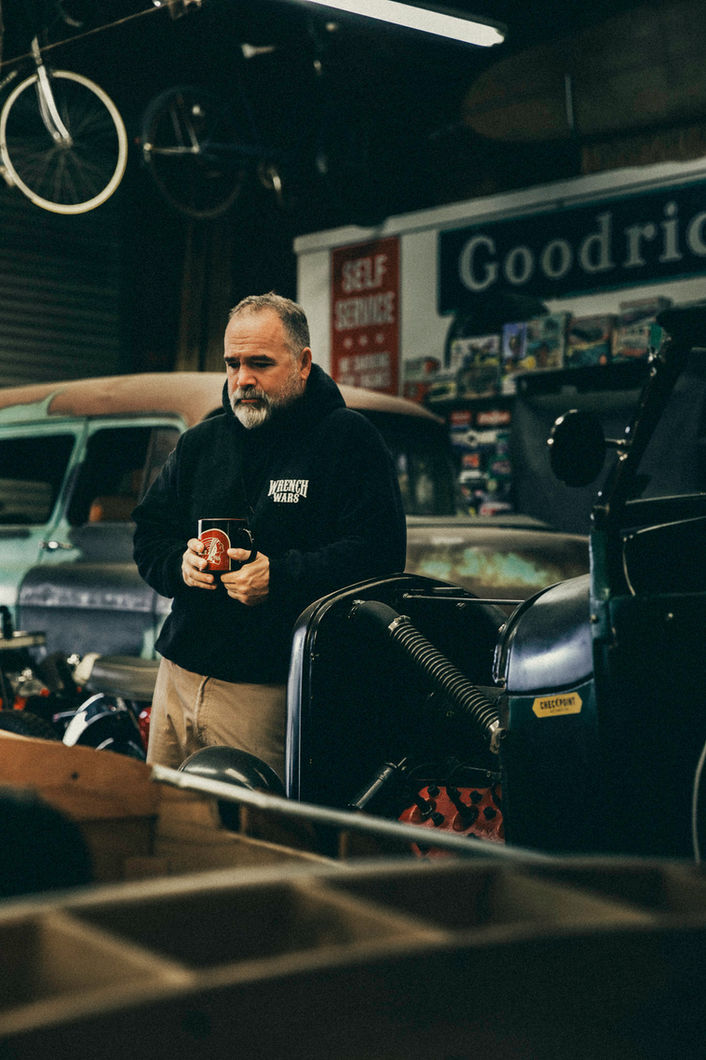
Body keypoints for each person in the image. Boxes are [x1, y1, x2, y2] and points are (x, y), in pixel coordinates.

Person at [133, 291, 406, 781]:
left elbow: (379, 555)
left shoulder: (348, 439)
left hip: (269, 691)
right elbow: (149, 533)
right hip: (175, 678)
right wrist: (180, 564)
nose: (243, 379)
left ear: (303, 363)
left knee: (256, 843)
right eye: (233, 364)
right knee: (170, 836)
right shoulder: (200, 443)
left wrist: (281, 577)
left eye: (260, 363)